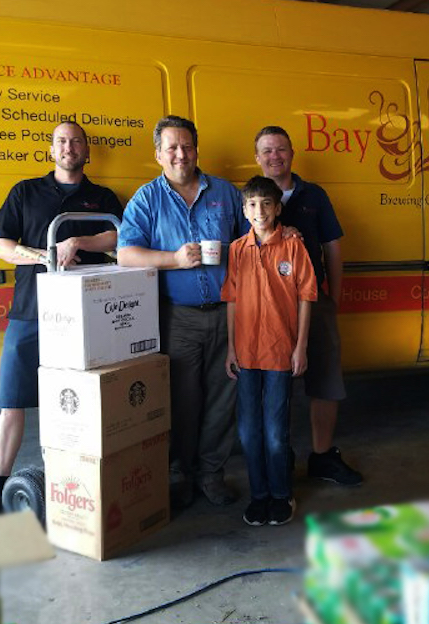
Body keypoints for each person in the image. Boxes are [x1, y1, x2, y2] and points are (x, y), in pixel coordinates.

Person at [0, 120, 123, 521]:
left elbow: (119, 238)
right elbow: (1, 246)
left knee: (82, 403)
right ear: (52, 150)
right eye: (62, 142)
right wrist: (46, 256)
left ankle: (82, 483)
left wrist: (78, 242)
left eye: (76, 142)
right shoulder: (25, 192)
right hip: (30, 313)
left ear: (87, 151)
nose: (69, 148)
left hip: (85, 317)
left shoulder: (102, 197)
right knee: (12, 401)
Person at [117, 115, 249, 509]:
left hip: (228, 314)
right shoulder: (147, 199)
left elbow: (252, 240)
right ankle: (178, 475)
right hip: (179, 318)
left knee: (224, 401)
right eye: (171, 147)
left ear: (196, 149)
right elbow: (125, 254)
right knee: (181, 402)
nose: (180, 154)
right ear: (158, 154)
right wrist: (173, 259)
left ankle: (211, 473)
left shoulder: (225, 193)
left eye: (187, 146)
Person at [253, 125, 363, 486]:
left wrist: (335, 296)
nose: (275, 156)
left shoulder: (314, 195)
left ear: (292, 154)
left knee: (325, 379)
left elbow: (332, 246)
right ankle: (278, 458)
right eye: (267, 151)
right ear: (257, 158)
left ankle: (321, 455)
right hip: (269, 309)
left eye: (281, 149)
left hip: (315, 303)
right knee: (273, 385)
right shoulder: (250, 198)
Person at [222, 176, 316, 526]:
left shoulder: (293, 247)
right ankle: (258, 495)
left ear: (278, 209)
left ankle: (281, 493)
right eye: (251, 204)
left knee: (276, 431)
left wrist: (300, 346)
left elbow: (307, 296)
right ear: (244, 210)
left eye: (266, 204)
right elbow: (231, 299)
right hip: (245, 353)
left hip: (280, 351)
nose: (259, 211)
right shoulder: (236, 250)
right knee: (248, 431)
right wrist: (231, 347)